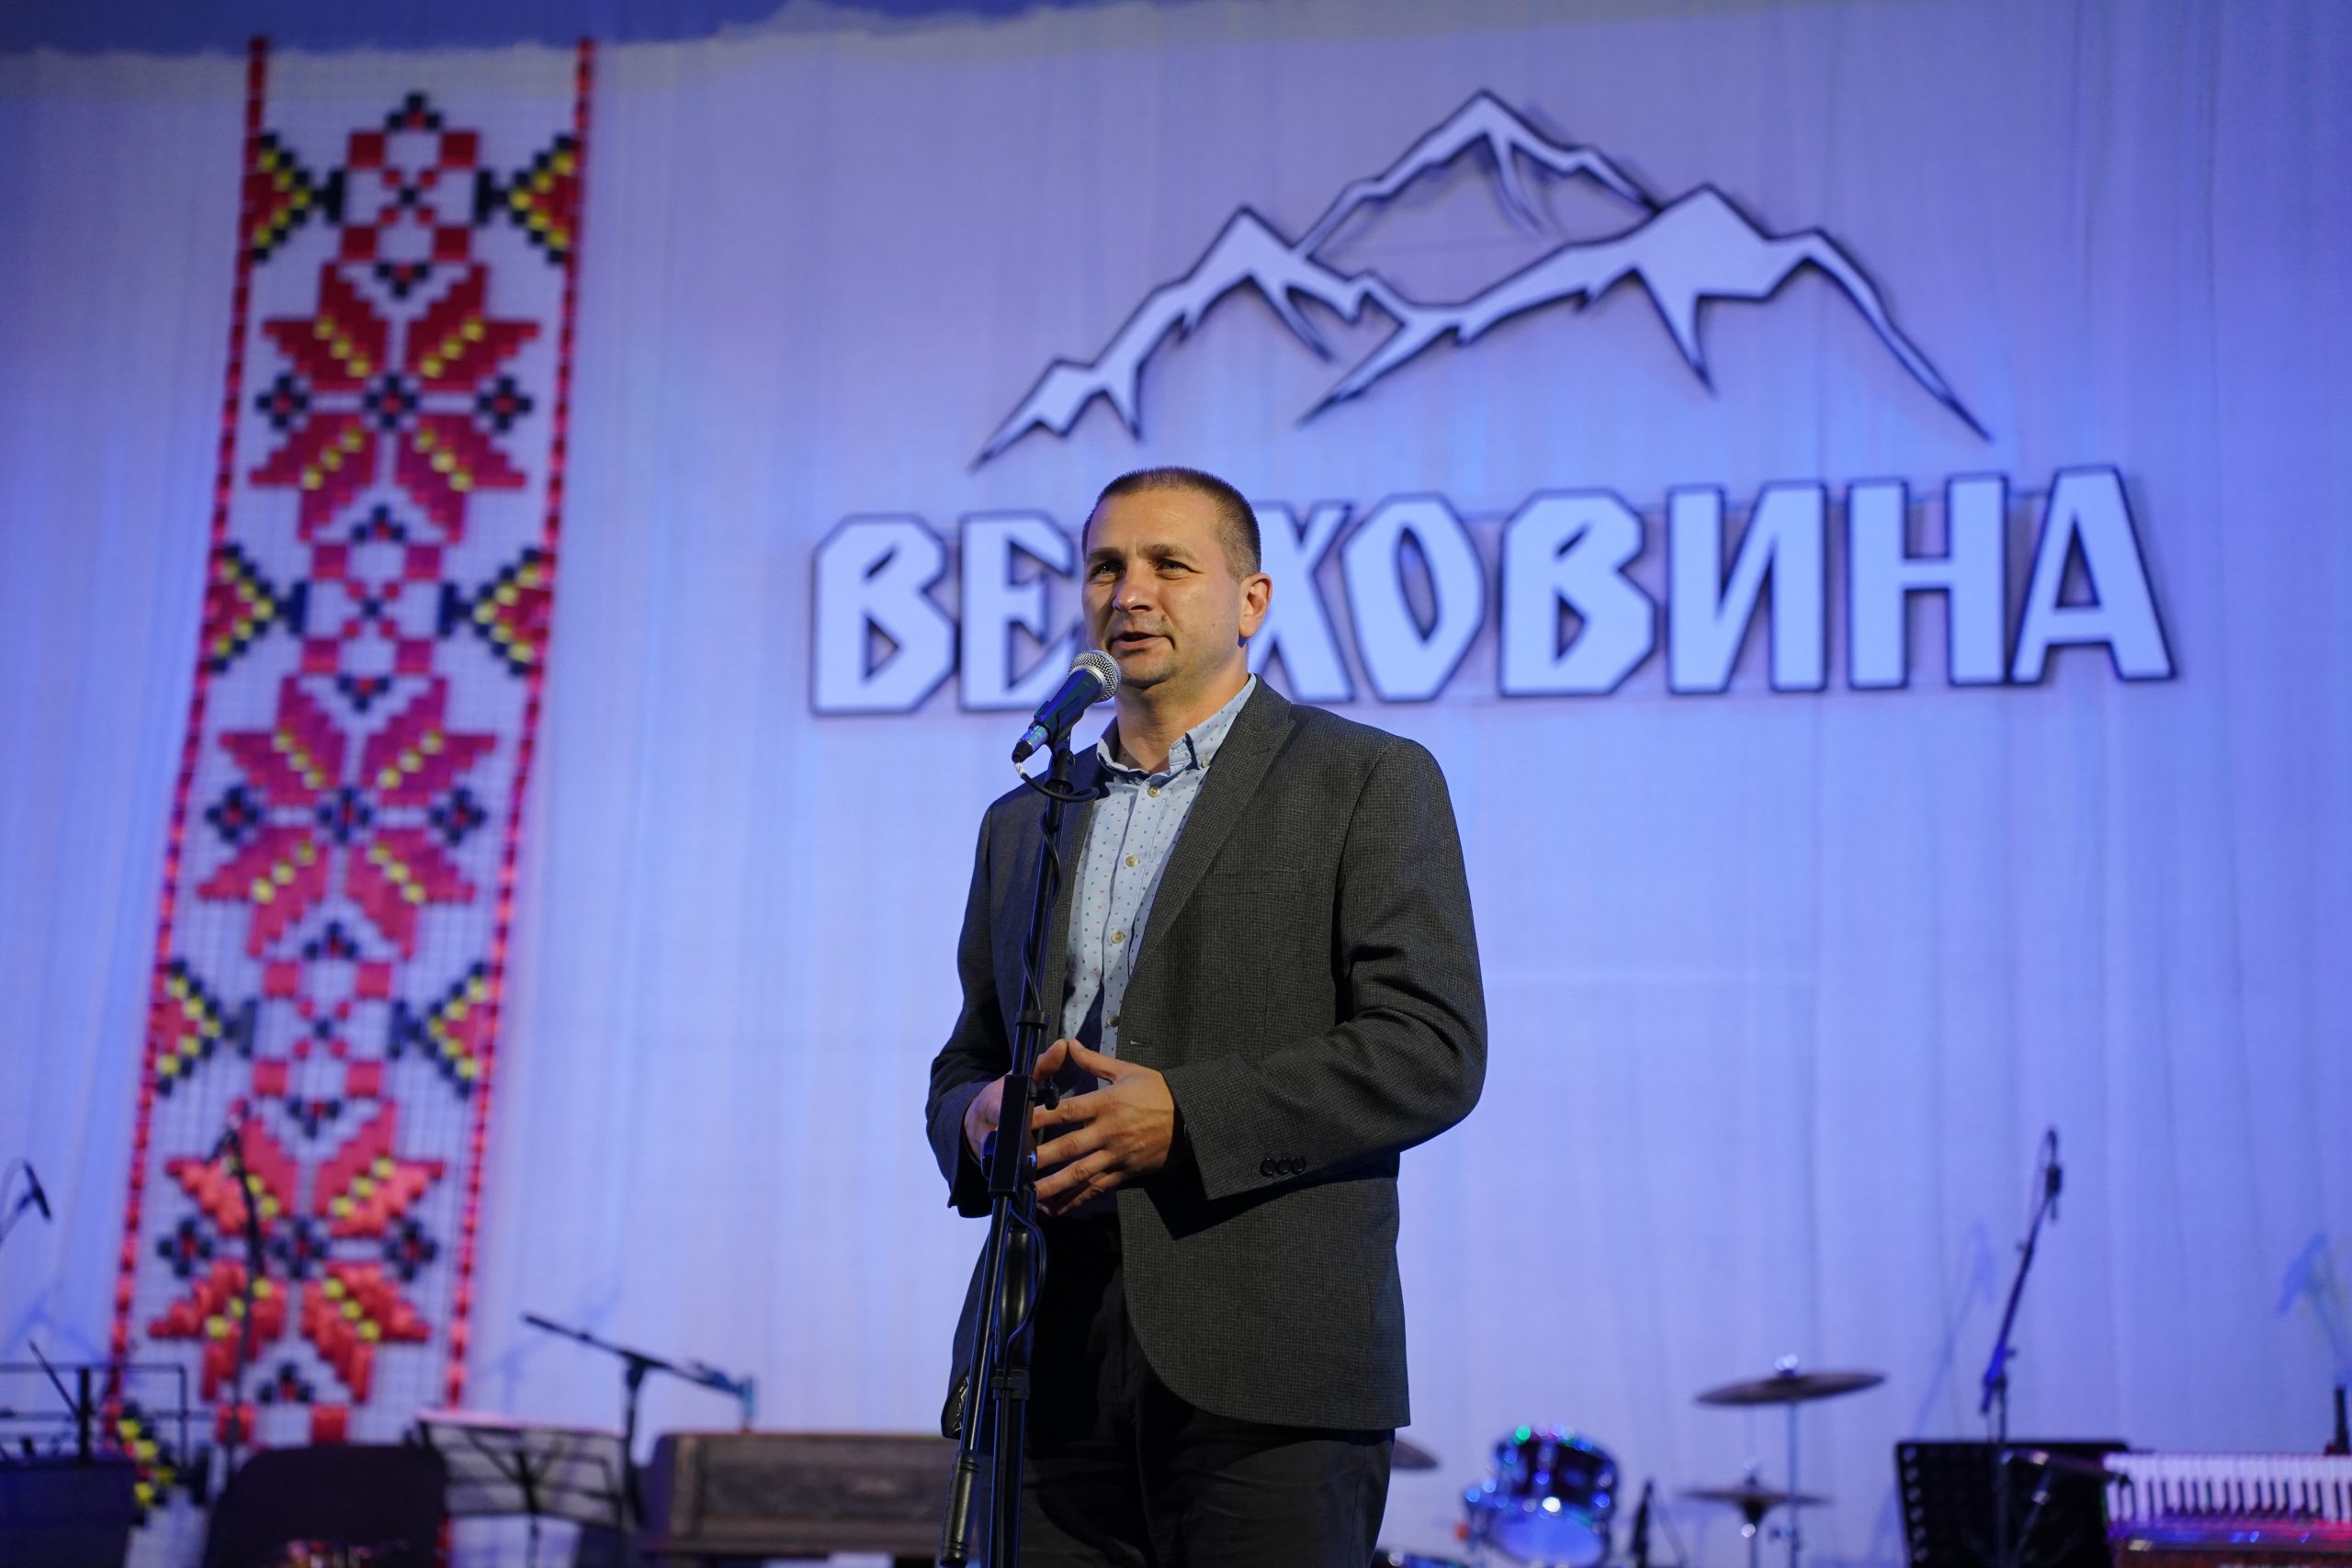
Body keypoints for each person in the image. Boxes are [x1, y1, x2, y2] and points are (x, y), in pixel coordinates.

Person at [924, 466, 1487, 1567]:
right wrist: (976, 1119)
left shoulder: (1363, 780)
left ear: (1251, 599)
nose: (1129, 592)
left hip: (1269, 1362)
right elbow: (969, 1057)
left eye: (1169, 565)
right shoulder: (1024, 819)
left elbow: (1430, 1049)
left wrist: (1185, 1117)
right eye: (1105, 567)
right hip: (1044, 1356)